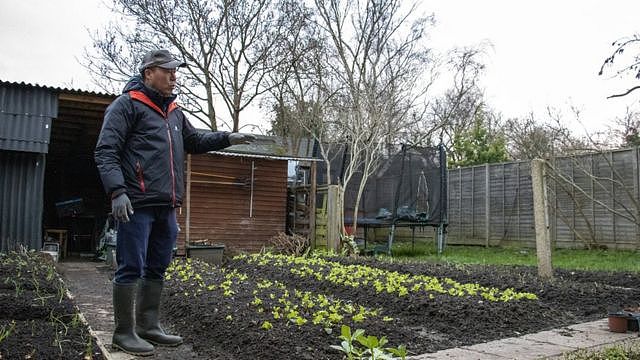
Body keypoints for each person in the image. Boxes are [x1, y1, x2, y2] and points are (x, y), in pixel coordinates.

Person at [95, 49, 255, 356]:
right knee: (131, 266)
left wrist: (228, 138)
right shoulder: (126, 106)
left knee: (158, 265)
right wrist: (117, 192)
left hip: (166, 204)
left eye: (175, 71)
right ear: (148, 73)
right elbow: (105, 152)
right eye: (167, 70)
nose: (173, 76)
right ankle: (123, 332)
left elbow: (193, 142)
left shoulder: (175, 113)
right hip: (136, 203)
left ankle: (148, 326)